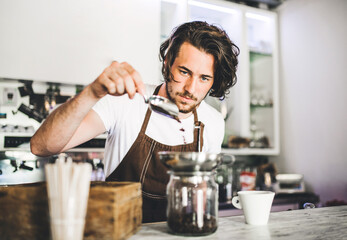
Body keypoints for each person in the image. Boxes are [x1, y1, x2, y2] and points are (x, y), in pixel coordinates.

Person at [30, 21, 239, 223]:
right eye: (184, 72)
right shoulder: (125, 102)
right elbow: (42, 146)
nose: (191, 89)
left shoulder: (212, 122)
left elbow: (201, 192)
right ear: (167, 63)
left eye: (204, 78)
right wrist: (92, 92)